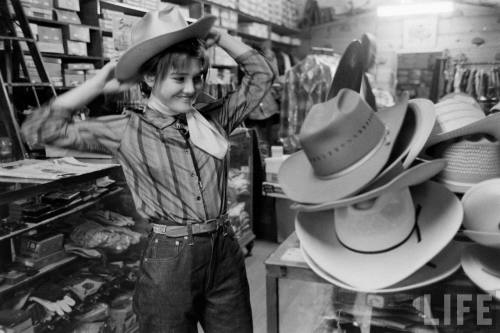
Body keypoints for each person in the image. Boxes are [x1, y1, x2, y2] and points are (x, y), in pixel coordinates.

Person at [21, 6, 275, 333]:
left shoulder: (214, 119)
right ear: (151, 77)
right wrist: (98, 81)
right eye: (179, 78)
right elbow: (40, 130)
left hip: (224, 249)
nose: (190, 88)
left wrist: (222, 37)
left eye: (197, 77)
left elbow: (262, 77)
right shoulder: (128, 128)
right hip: (170, 258)